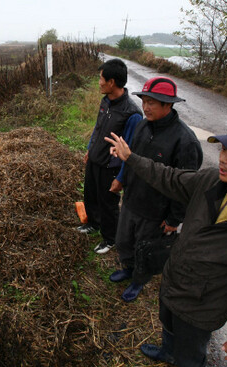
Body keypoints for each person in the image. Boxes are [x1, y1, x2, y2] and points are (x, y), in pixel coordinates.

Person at [105, 118, 227, 367]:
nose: (223, 158)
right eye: (224, 149)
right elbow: (168, 177)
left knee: (190, 355)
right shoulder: (211, 182)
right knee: (168, 327)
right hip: (174, 285)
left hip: (202, 309)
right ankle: (167, 352)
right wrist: (131, 158)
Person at [108, 76, 203, 302]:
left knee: (146, 249)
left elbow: (185, 187)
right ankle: (128, 269)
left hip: (155, 210)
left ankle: (139, 280)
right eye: (144, 101)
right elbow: (132, 158)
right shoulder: (143, 126)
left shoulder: (185, 141)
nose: (146, 107)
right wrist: (122, 178)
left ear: (168, 105)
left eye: (153, 102)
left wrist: (174, 218)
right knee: (124, 241)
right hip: (132, 200)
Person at [77, 58, 142, 254]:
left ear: (111, 82)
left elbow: (131, 151)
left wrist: (121, 178)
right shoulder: (106, 102)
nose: (99, 82)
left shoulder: (132, 114)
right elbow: (98, 129)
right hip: (95, 159)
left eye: (101, 78)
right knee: (91, 195)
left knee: (108, 204)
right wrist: (90, 149)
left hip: (111, 167)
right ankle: (94, 224)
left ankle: (110, 238)